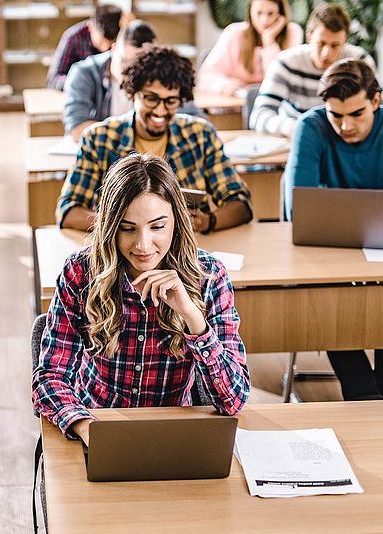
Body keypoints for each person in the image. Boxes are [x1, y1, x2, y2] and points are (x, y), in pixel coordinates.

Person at [32, 153, 250, 442]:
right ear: (111, 226)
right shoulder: (81, 272)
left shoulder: (208, 277)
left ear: (177, 222)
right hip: (97, 423)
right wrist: (88, 429)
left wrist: (194, 318)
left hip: (174, 434)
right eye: (127, 228)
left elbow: (232, 401)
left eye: (158, 227)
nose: (143, 245)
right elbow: (50, 377)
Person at [57, 46, 253, 233]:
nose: (160, 110)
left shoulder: (200, 135)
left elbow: (240, 203)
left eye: (170, 101)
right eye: (151, 98)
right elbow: (68, 211)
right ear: (133, 94)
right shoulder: (99, 139)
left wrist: (207, 221)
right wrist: (119, 223)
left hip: (186, 252)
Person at [283, 59, 383, 400]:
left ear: (376, 101)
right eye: (335, 115)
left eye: (356, 114)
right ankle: (361, 391)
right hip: (325, 251)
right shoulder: (310, 126)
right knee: (326, 294)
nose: (345, 125)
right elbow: (300, 208)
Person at [249, 3, 375, 137]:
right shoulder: (286, 62)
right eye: (321, 44)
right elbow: (259, 115)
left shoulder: (360, 61)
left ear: (345, 42)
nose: (326, 53)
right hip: (299, 136)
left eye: (335, 45)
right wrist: (293, 127)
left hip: (346, 139)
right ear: (309, 37)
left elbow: (377, 106)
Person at [63, 19, 157, 141]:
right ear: (113, 48)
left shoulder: (162, 73)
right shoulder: (84, 72)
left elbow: (185, 125)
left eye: (141, 65)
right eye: (124, 61)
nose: (131, 72)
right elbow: (77, 128)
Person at [197, 0, 302, 97]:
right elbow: (205, 75)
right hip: (235, 104)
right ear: (250, 12)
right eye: (259, 13)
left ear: (281, 14)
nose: (264, 20)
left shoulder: (292, 32)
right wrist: (224, 85)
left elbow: (281, 80)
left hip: (272, 103)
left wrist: (269, 42)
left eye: (270, 13)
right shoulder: (234, 33)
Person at [47, 2, 123, 90]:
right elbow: (53, 79)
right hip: (79, 94)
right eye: (101, 42)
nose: (105, 48)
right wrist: (79, 82)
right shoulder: (73, 37)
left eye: (110, 43)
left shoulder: (121, 39)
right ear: (91, 26)